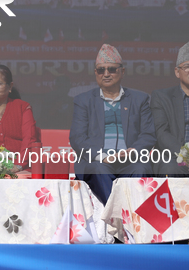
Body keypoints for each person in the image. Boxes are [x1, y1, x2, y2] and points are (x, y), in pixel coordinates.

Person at [69, 44, 155, 205]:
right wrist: (102, 156)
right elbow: (77, 137)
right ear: (96, 73)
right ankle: (118, 215)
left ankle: (126, 215)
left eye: (112, 69)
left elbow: (148, 135)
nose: (106, 74)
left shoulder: (139, 99)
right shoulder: (83, 100)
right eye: (101, 70)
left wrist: (133, 152)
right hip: (100, 161)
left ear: (122, 71)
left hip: (131, 161)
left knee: (142, 169)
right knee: (97, 169)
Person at [150, 42, 189, 176]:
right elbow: (162, 134)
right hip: (175, 157)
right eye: (187, 66)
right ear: (177, 72)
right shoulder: (162, 97)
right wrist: (186, 155)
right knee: (170, 168)